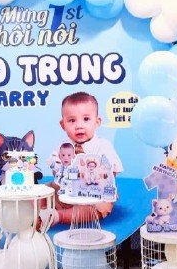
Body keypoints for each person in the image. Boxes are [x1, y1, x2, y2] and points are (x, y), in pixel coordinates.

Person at [51, 92, 123, 223]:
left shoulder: (103, 146)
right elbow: (57, 173)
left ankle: (57, 216)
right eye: (72, 120)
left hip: (94, 194)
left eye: (86, 119)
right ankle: (37, 210)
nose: (79, 126)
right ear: (63, 125)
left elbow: (111, 173)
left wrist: (97, 183)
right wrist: (57, 168)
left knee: (98, 208)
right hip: (67, 191)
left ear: (97, 122)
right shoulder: (63, 147)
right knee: (46, 190)